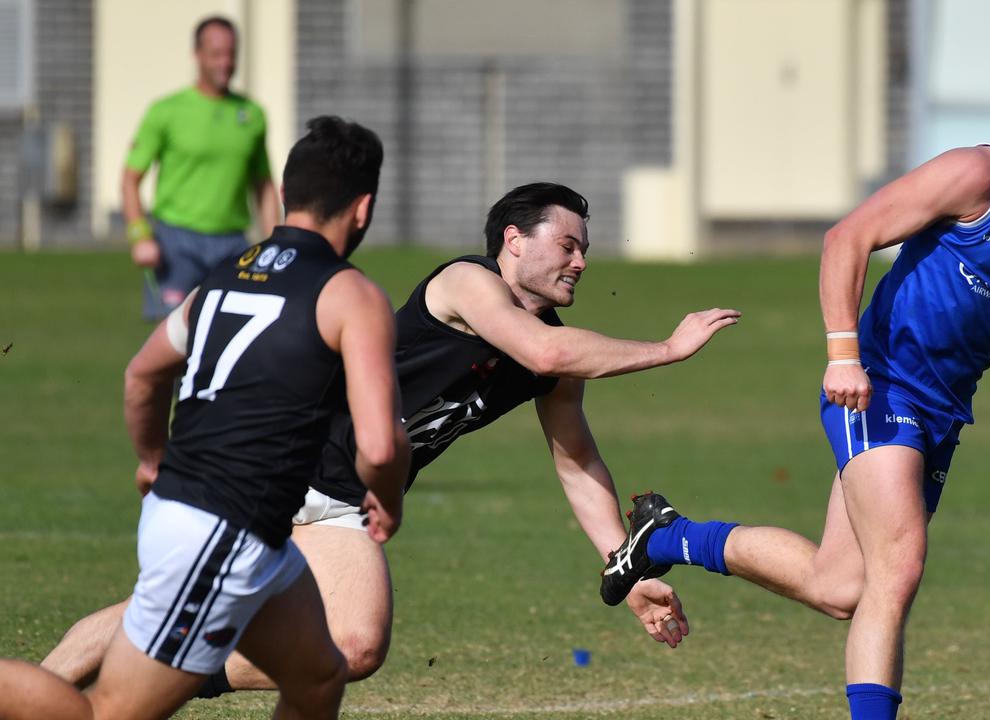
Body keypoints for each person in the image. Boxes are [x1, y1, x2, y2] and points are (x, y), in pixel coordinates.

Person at [599, 33, 990, 720]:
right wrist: (843, 356)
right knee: (900, 565)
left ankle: (666, 536)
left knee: (840, 587)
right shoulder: (982, 175)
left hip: (943, 409)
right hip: (878, 381)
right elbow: (846, 238)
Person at [40, 182, 741, 697]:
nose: (581, 262)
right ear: (514, 241)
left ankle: (140, 678)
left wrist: (623, 563)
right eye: (567, 245)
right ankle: (75, 686)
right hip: (297, 468)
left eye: (585, 250)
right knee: (191, 616)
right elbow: (549, 354)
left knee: (350, 645)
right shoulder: (466, 282)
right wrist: (669, 349)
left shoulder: (548, 353)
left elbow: (576, 458)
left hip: (349, 497)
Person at [0, 116, 408, 720]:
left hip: (245, 532)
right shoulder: (351, 295)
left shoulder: (223, 277)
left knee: (319, 677)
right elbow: (378, 446)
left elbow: (143, 373)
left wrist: (149, 458)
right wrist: (388, 497)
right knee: (105, 714)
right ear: (364, 208)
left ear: (287, 194)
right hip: (223, 531)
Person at [123, 15, 279, 321]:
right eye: (216, 54)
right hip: (176, 243)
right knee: (173, 343)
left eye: (232, 54)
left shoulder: (251, 115)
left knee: (231, 334)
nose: (225, 63)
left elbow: (263, 185)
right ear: (198, 55)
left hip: (233, 244)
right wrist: (140, 235)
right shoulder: (166, 112)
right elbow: (130, 179)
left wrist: (274, 243)